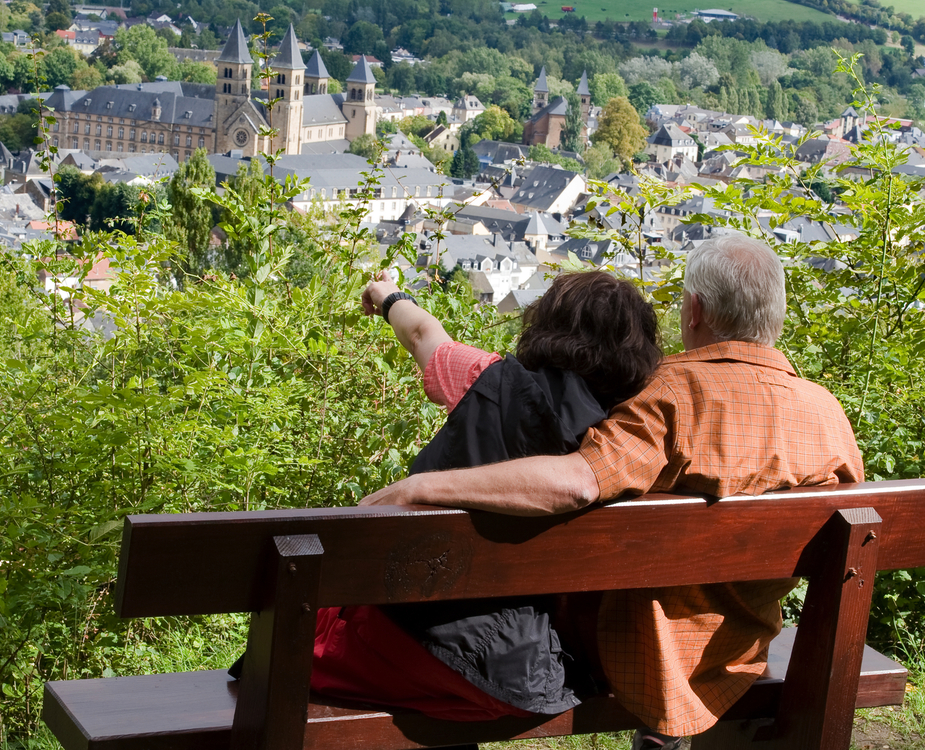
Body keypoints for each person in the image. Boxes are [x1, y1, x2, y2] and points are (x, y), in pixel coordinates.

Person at [360, 235, 865, 749]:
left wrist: (421, 487)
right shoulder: (828, 413)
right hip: (744, 642)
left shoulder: (668, 397)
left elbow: (580, 480)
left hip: (645, 654)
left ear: (694, 311)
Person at [310, 269, 663, 723]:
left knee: (303, 636)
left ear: (547, 324)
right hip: (534, 671)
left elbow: (421, 333)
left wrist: (387, 294)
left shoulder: (488, 379)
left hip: (420, 649)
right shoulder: (626, 437)